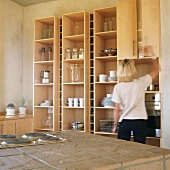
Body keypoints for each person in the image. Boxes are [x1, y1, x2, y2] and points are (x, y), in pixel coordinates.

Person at [111, 46, 160, 144]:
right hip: (140, 121)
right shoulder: (140, 83)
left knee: (123, 147)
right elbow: (157, 69)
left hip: (125, 121)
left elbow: (117, 109)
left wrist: (115, 125)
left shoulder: (118, 87)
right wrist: (152, 55)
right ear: (133, 69)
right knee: (140, 147)